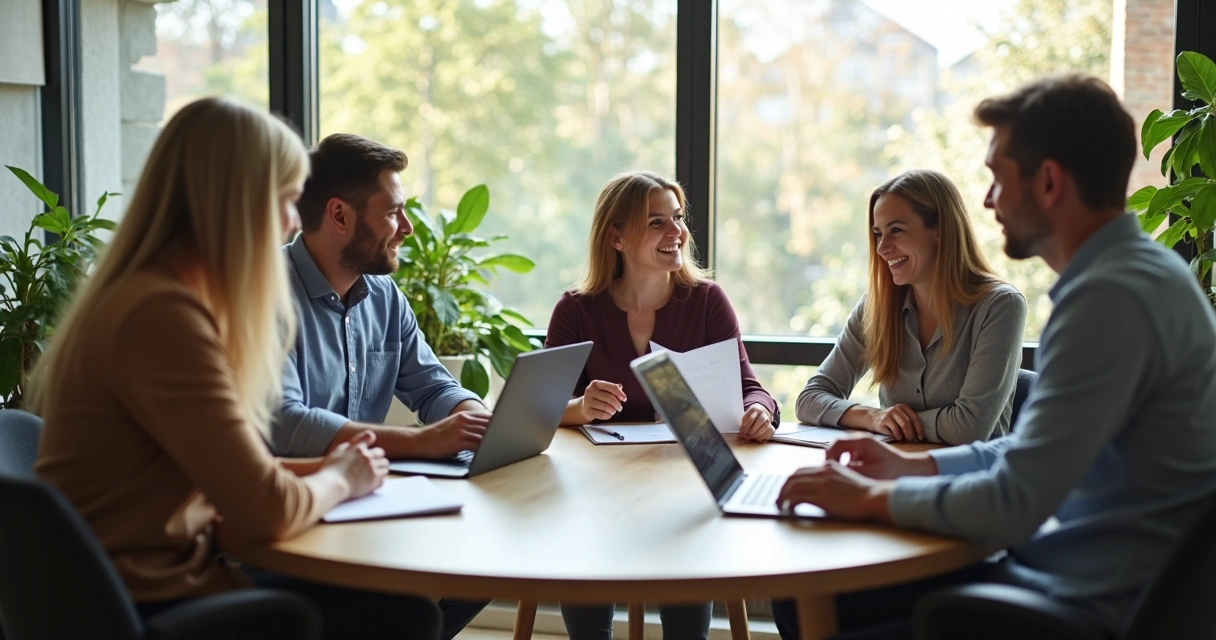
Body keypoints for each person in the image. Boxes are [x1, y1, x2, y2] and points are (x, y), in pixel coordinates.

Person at [772, 75, 1216, 639]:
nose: (987, 201)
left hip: (1074, 608)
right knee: (807, 598)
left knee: (820, 605)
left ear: (1049, 181)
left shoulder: (1109, 300)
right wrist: (915, 464)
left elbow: (1015, 500)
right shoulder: (1139, 277)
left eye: (997, 179)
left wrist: (875, 499)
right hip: (1064, 578)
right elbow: (1029, 451)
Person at [31, 97, 441, 639]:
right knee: (401, 613)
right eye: (289, 199)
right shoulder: (163, 316)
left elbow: (234, 475)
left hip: (144, 583)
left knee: (398, 600)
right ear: (238, 202)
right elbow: (265, 508)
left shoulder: (146, 296)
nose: (297, 220)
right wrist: (341, 478)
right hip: (145, 603)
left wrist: (340, 472)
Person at [272, 132, 490, 638]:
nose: (407, 229)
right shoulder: (266, 292)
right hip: (296, 512)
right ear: (340, 215)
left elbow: (432, 385)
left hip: (364, 499)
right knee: (408, 613)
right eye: (393, 213)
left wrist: (472, 412)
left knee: (493, 556)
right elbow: (285, 421)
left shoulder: (384, 296)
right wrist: (419, 441)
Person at [545, 170, 780, 640]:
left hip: (682, 478)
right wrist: (581, 406)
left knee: (687, 530)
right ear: (615, 236)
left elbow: (751, 388)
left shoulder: (707, 302)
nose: (677, 233)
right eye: (657, 222)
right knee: (582, 541)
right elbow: (542, 410)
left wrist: (760, 411)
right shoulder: (575, 309)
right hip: (599, 487)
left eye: (677, 218)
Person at [796, 169, 1027, 444]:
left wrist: (901, 424)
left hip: (969, 481)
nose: (882, 248)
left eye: (896, 231)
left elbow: (969, 428)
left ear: (941, 231)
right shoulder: (877, 307)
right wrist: (873, 417)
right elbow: (809, 399)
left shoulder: (1000, 306)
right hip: (895, 473)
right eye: (878, 234)